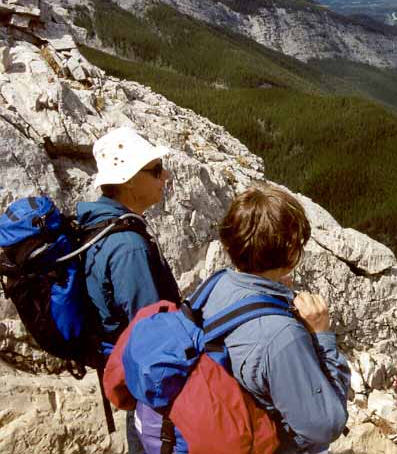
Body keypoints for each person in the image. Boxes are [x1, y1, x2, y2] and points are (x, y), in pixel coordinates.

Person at [200, 182, 350, 453]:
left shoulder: (215, 283)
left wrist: (276, 293)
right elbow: (327, 426)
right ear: (292, 254)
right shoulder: (283, 336)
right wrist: (322, 335)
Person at [77, 126, 181, 453]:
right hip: (148, 386)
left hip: (129, 375)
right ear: (130, 181)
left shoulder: (101, 227)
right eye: (154, 170)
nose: (165, 175)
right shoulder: (128, 247)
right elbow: (151, 328)